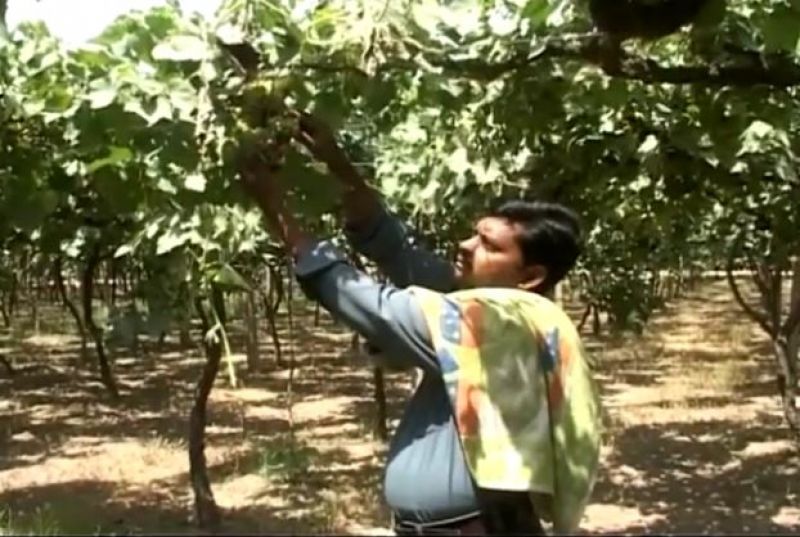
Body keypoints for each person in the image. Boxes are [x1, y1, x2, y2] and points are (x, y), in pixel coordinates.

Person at [238, 115, 602, 536]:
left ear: (531, 277)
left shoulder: (497, 323)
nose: (465, 245)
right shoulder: (488, 309)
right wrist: (336, 162)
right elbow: (396, 248)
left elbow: (371, 307)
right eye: (474, 234)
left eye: (488, 245)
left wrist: (276, 210)